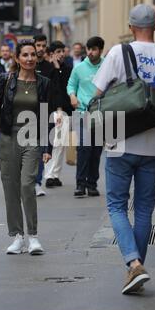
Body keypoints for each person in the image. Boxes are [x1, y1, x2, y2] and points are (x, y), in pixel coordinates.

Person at [93, 4, 155, 295]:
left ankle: (134, 264)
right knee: (145, 209)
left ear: (131, 26)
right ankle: (135, 271)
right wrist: (153, 108)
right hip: (153, 146)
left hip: (119, 143)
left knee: (116, 206)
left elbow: (98, 94)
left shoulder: (116, 54)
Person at [0, 40, 53, 255]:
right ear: (17, 58)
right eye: (25, 55)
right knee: (10, 188)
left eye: (33, 54)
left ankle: (33, 236)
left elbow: (46, 116)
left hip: (31, 139)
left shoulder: (43, 83)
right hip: (7, 139)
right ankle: (17, 236)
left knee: (27, 185)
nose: (30, 58)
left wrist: (47, 147)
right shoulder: (5, 80)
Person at [67, 37, 105, 197]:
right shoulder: (79, 68)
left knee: (96, 150)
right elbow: (70, 84)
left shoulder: (107, 66)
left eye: (94, 49)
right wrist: (72, 96)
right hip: (82, 112)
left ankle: (92, 184)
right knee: (84, 148)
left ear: (100, 50)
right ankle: (80, 184)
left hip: (101, 113)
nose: (90, 52)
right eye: (88, 49)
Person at [44, 41, 73, 188]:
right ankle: (49, 174)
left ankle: (54, 174)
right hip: (50, 110)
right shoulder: (47, 69)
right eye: (59, 51)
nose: (62, 54)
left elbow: (65, 89)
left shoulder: (67, 69)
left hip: (65, 111)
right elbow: (52, 89)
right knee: (52, 142)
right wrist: (54, 69)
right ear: (52, 54)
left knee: (60, 144)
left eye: (63, 51)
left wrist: (58, 70)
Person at [33, 34, 55, 196]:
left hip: (44, 112)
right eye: (38, 45)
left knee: (42, 149)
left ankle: (37, 182)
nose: (40, 48)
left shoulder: (49, 68)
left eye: (43, 45)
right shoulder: (26, 64)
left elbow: (55, 91)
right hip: (26, 113)